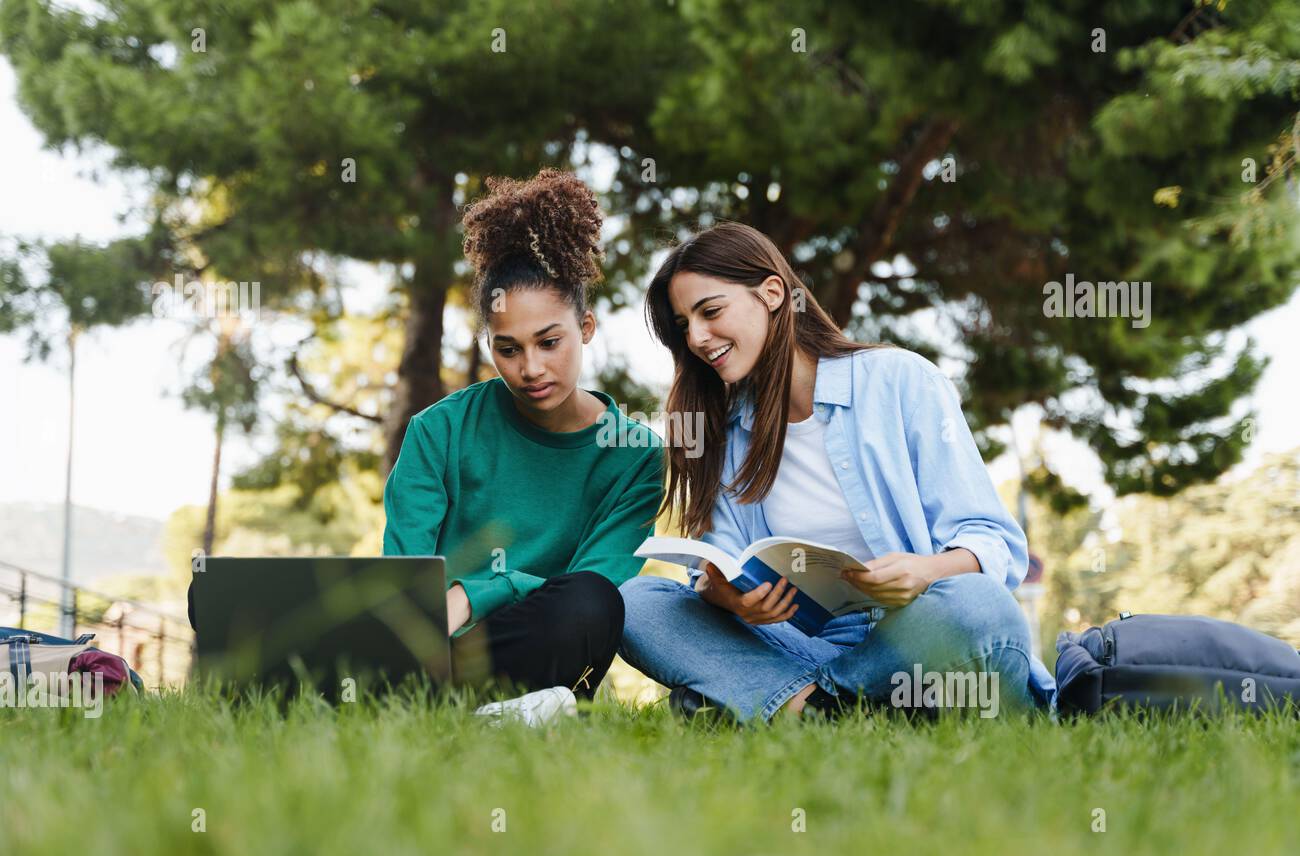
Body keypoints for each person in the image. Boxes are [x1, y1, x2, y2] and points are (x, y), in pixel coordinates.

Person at [619, 221, 1056, 722]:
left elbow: (995, 542)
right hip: (803, 643)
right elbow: (714, 566)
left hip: (917, 633)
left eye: (710, 311)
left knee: (982, 608)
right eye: (683, 325)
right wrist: (729, 599)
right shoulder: (722, 433)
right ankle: (849, 710)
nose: (697, 337)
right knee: (638, 602)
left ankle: (796, 705)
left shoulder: (900, 381)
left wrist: (925, 571)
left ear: (773, 293)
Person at [383, 168, 663, 711]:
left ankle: (456, 704)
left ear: (586, 327)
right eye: (507, 348)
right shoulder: (438, 432)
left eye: (549, 342)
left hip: (536, 644)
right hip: (430, 649)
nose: (531, 368)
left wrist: (479, 591)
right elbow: (404, 583)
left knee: (591, 603)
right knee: (218, 597)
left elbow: (595, 583)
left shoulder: (636, 456)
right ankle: (455, 705)